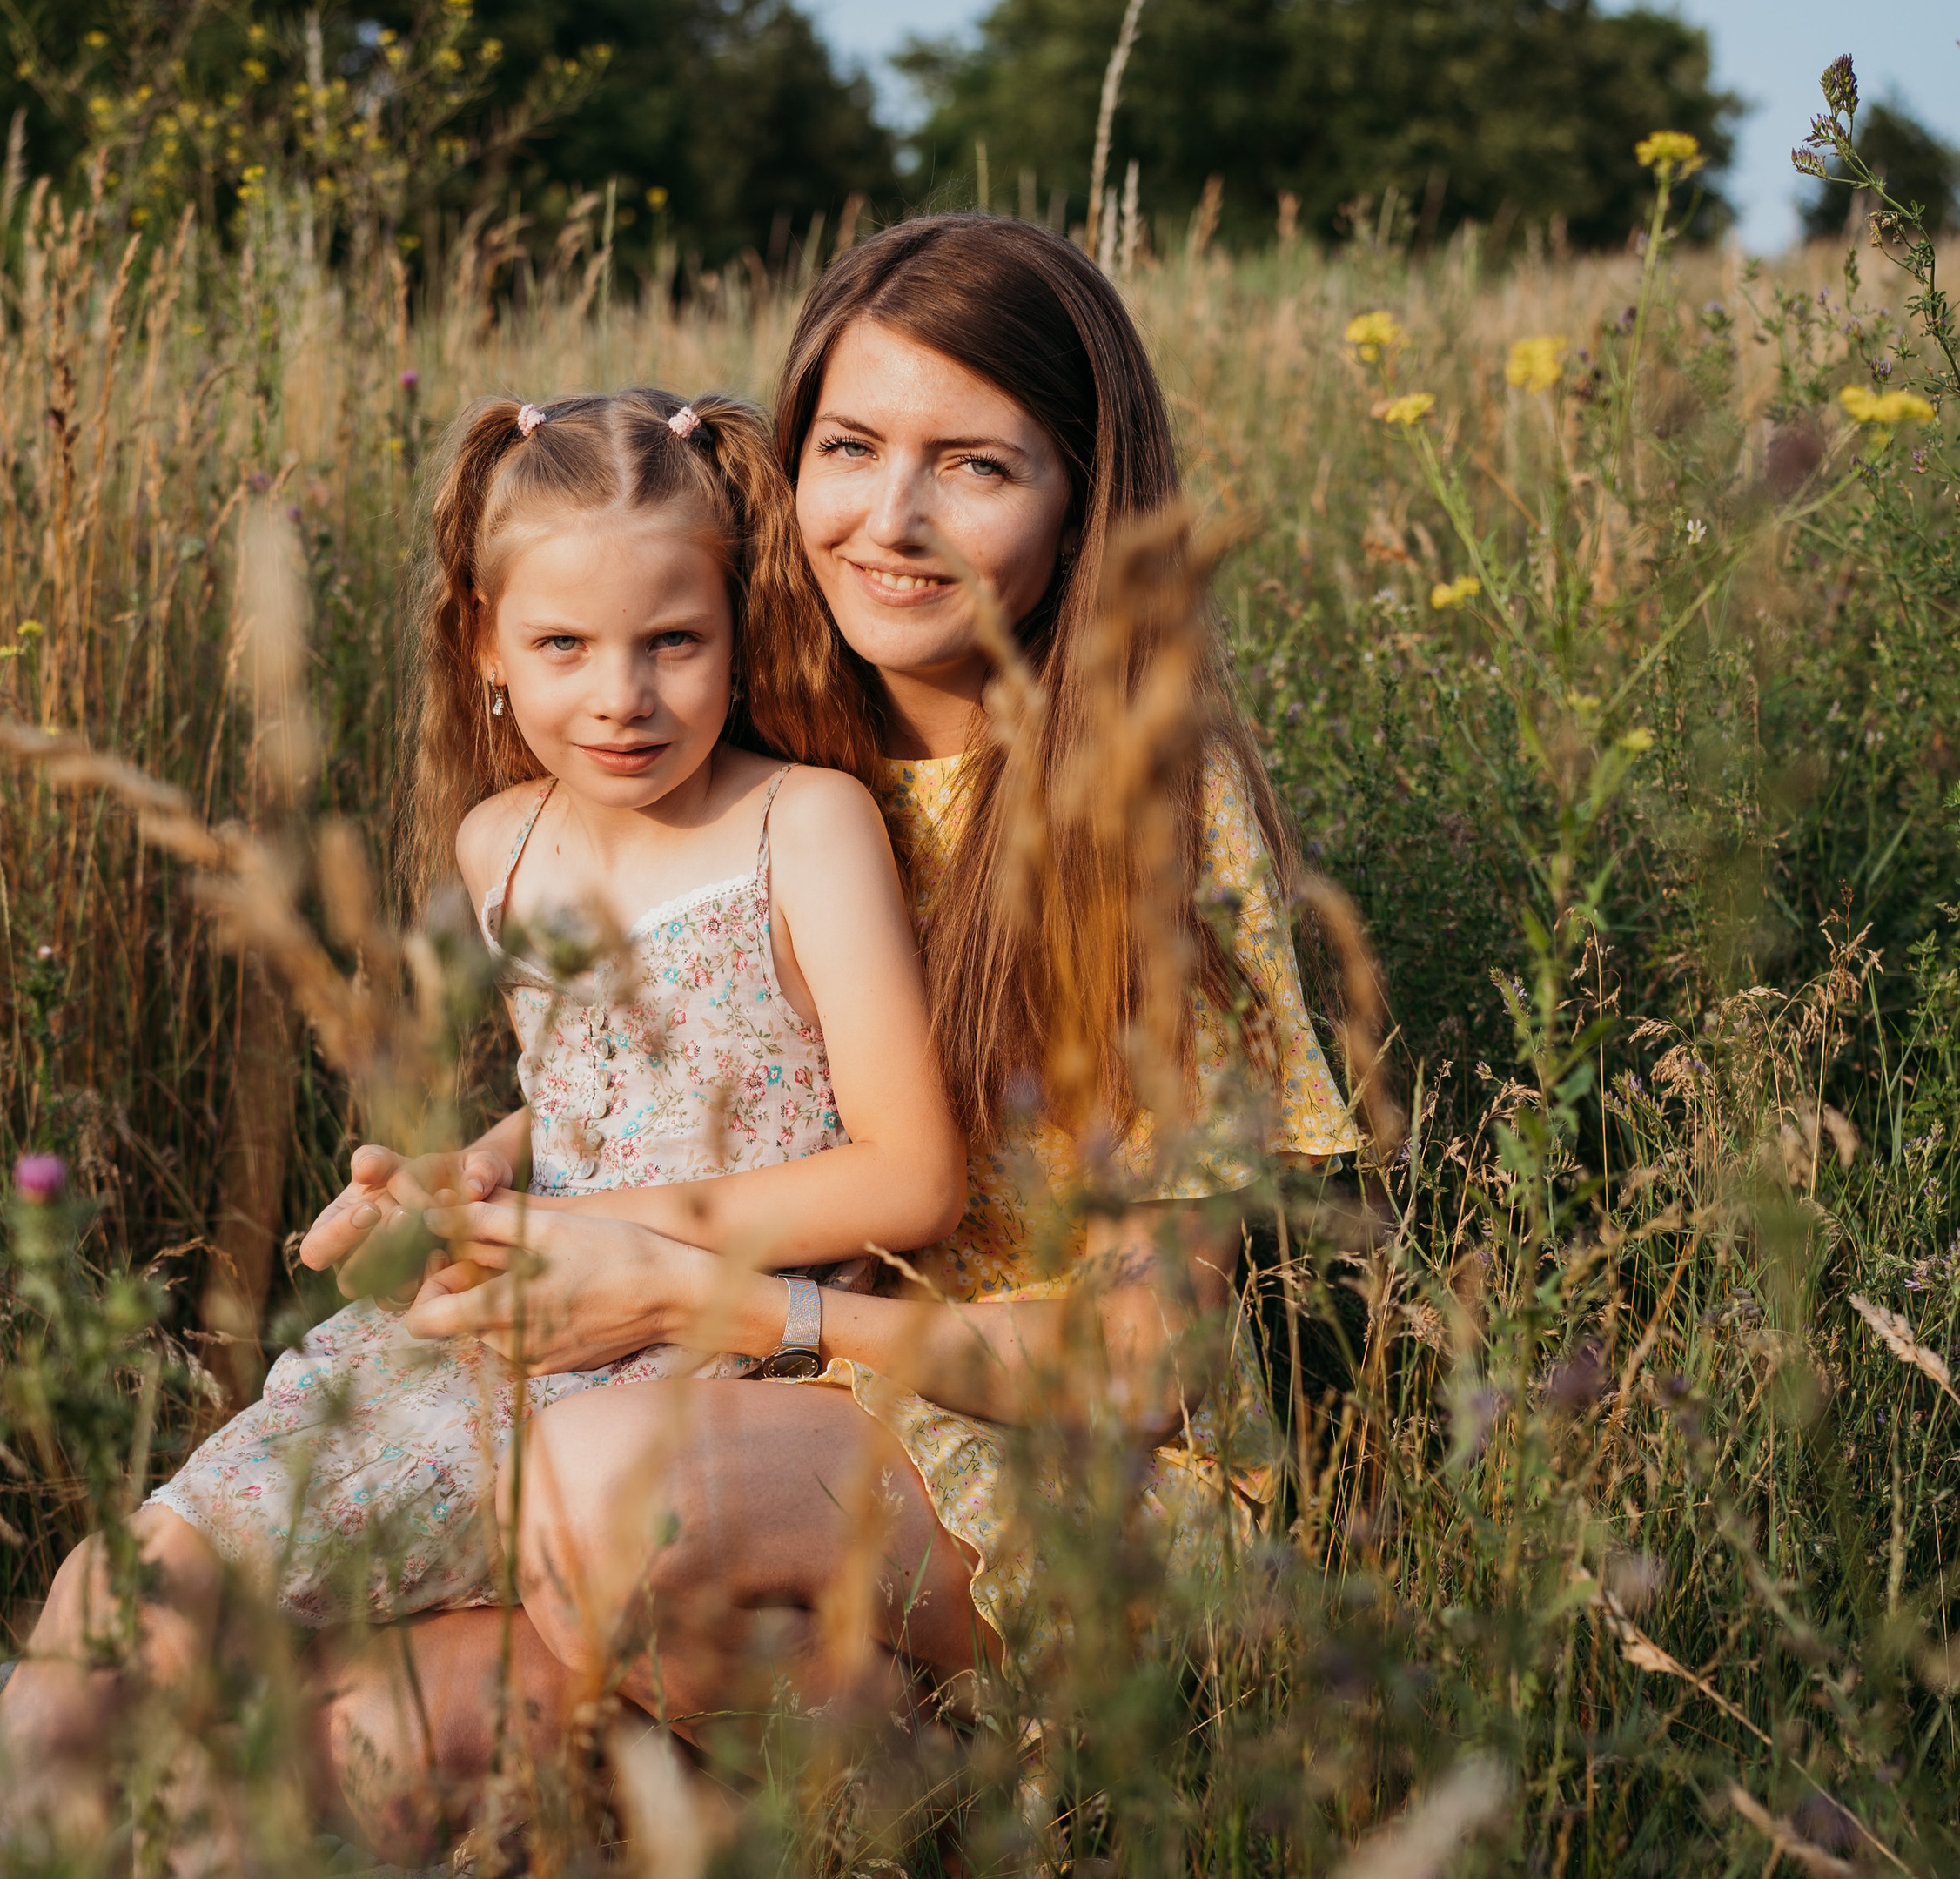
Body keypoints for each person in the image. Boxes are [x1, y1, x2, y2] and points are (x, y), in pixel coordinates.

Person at [0, 383, 962, 1879]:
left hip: (677, 1378)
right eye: (561, 648)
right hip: (492, 1342)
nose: (620, 698)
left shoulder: (803, 824)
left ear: (737, 627)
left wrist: (602, 1234)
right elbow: (565, 1112)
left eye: (672, 642)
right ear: (482, 646)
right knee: (104, 1613)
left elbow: (904, 1177)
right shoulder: (502, 846)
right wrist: (448, 1191)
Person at [309, 218, 1360, 1775]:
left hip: (1082, 1471)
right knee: (376, 1719)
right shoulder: (788, 732)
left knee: (604, 1488)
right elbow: (763, 1049)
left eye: (979, 467)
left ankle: (951, 1870)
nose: (891, 518)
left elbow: (1144, 1361)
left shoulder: (1149, 816)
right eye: (851, 446)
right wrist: (508, 1167)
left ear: (1085, 504)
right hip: (789, 1397)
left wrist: (704, 1291)